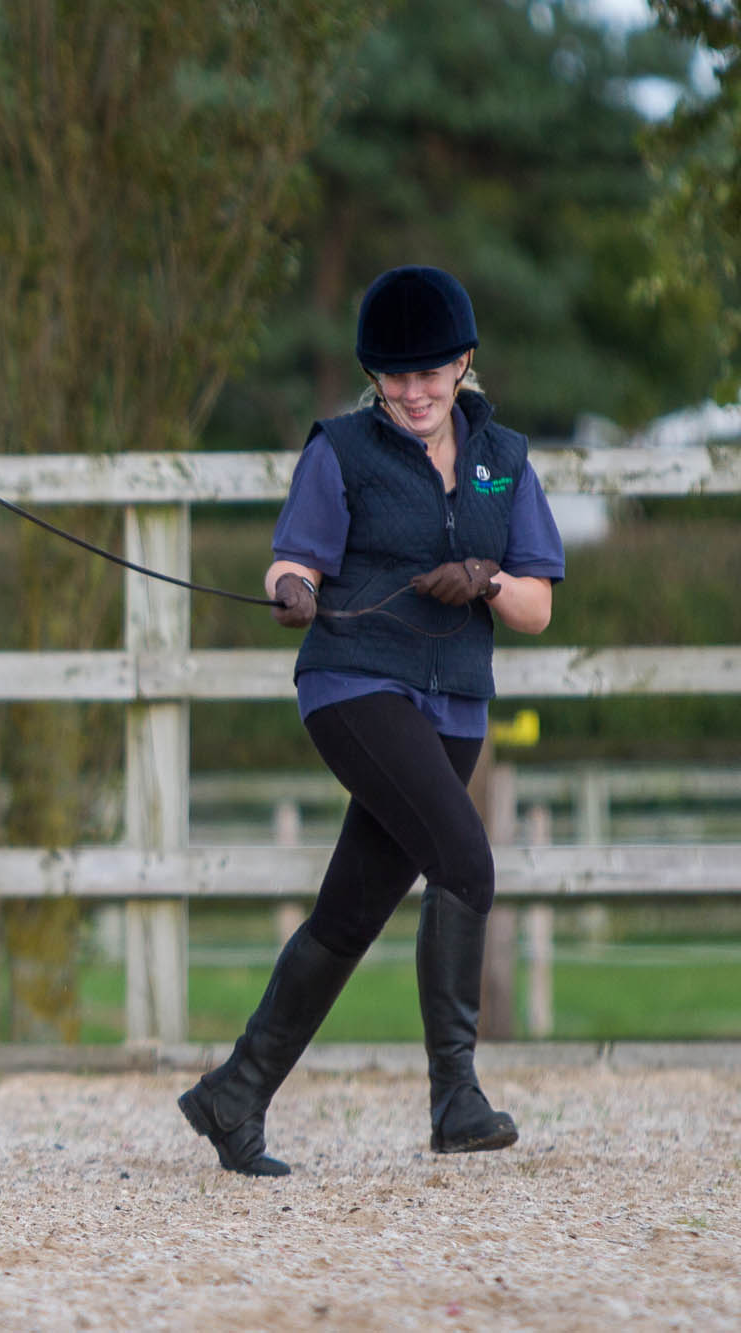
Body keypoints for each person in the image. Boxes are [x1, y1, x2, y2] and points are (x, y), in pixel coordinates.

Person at [178, 265, 566, 1176]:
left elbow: (538, 607)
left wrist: (488, 578)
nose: (414, 392)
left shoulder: (503, 462)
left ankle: (235, 1093)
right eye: (395, 377)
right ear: (374, 377)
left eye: (430, 373)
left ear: (463, 363)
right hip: (354, 684)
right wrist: (293, 592)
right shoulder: (341, 450)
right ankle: (456, 1098)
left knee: (351, 911)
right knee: (465, 862)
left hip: (455, 699)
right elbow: (293, 560)